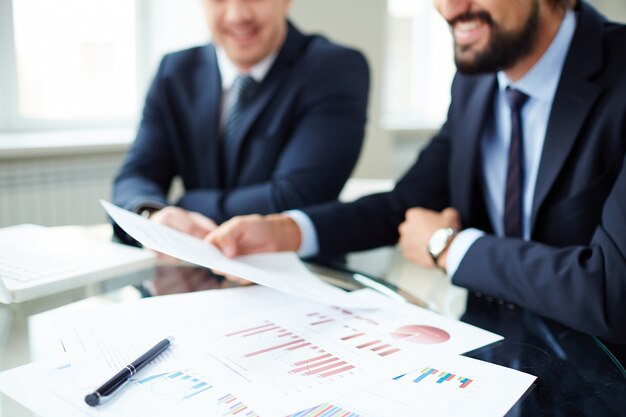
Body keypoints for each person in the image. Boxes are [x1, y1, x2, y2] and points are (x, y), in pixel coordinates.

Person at [207, 0, 626, 343]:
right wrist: (287, 232)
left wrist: (449, 246)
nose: (450, 8)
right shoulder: (475, 83)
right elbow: (406, 205)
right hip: (500, 354)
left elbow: (611, 293)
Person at [112, 0, 369, 244]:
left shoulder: (334, 68)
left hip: (297, 271)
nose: (237, 15)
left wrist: (183, 205)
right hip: (191, 271)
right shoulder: (175, 71)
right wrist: (154, 214)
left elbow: (297, 196)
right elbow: (136, 176)